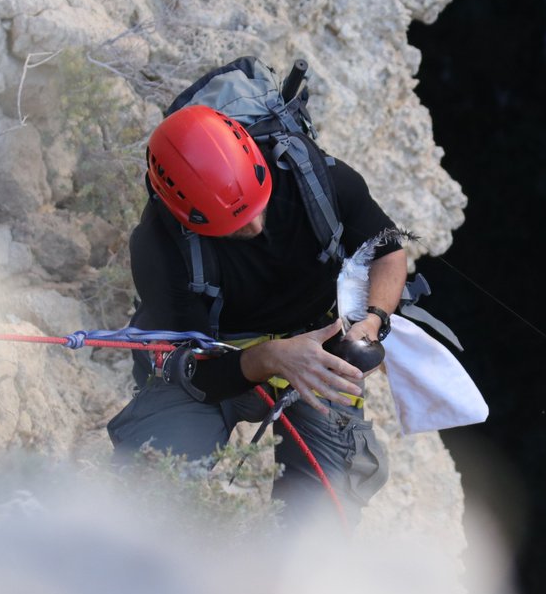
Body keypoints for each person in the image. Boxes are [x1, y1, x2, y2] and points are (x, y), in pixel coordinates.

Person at [107, 103, 407, 526]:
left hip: (318, 346)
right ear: (184, 214)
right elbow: (193, 373)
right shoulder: (161, 248)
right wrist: (270, 358)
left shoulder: (314, 178)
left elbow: (388, 252)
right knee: (144, 486)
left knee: (322, 518)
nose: (254, 229)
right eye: (231, 225)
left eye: (258, 208)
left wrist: (372, 321)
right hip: (217, 358)